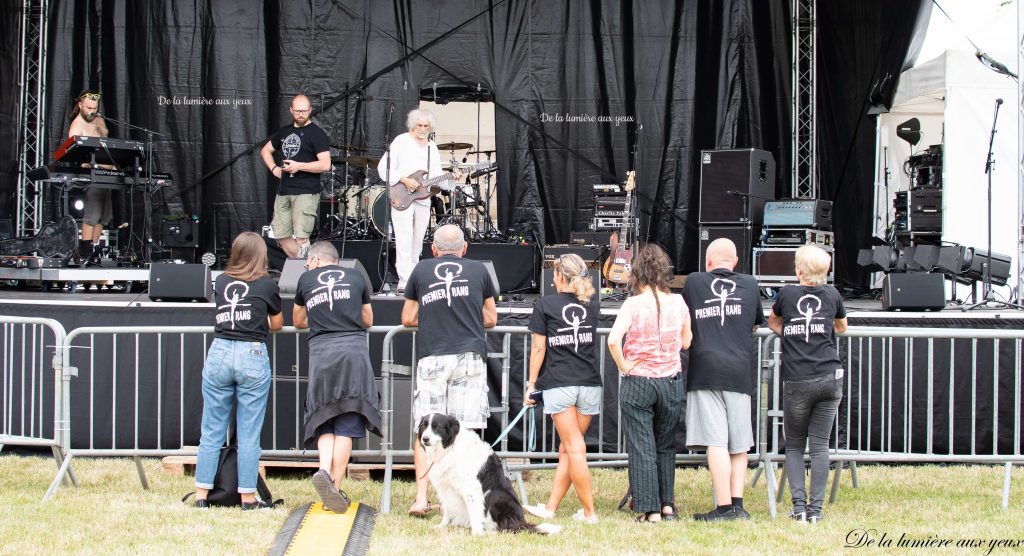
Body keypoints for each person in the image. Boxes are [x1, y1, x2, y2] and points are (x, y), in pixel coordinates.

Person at [401, 224, 497, 516]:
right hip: (468, 357)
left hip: (432, 357)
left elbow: (407, 317)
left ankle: (421, 498)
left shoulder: (421, 270)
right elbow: (491, 317)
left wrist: (432, 319)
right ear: (464, 249)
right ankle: (454, 503)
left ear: (433, 249)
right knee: (464, 429)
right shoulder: (480, 271)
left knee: (424, 429)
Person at [193, 232, 283, 509]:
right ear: (261, 256)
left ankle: (201, 496)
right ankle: (246, 497)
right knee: (248, 432)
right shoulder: (267, 285)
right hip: (251, 352)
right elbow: (277, 324)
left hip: (219, 350)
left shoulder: (221, 280)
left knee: (211, 429)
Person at [293, 241, 380, 513]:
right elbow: (368, 320)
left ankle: (322, 469)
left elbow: (298, 321)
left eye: (308, 262)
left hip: (321, 353)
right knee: (348, 420)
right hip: (353, 351)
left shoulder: (306, 279)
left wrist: (320, 318)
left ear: (317, 259)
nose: (307, 267)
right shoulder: (356, 277)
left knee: (325, 416)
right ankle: (334, 484)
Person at [607, 244, 692, 523]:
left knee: (641, 444)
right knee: (665, 444)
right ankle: (667, 504)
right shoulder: (678, 303)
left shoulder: (633, 303)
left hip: (639, 380)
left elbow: (612, 340)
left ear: (638, 273)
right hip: (670, 380)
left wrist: (624, 366)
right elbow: (686, 341)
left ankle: (649, 508)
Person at [682, 238, 765, 521]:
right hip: (739, 370)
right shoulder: (751, 284)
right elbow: (756, 322)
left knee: (716, 441)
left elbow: (685, 316)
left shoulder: (694, 282)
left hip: (705, 370)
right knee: (739, 443)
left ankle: (723, 507)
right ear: (736, 261)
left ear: (708, 262)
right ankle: (738, 506)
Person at [767, 245, 848, 524]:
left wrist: (790, 335)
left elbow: (773, 321)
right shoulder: (832, 294)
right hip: (830, 378)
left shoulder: (788, 294)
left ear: (798, 270)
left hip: (798, 380)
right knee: (820, 446)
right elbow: (842, 326)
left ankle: (799, 508)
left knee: (794, 446)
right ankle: (816, 511)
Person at [521, 254, 601, 524]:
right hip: (590, 383)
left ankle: (590, 512)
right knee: (568, 448)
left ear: (558, 277)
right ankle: (551, 507)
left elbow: (539, 349)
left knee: (574, 448)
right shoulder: (592, 305)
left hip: (561, 383)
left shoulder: (545, 304)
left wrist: (532, 384)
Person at [377, 108, 462, 291]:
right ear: (412, 125)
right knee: (403, 238)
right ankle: (404, 281)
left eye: (426, 126)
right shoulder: (401, 141)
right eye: (420, 125)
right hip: (402, 194)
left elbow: (437, 175)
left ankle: (414, 277)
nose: (423, 129)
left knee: (418, 240)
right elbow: (384, 167)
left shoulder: (432, 146)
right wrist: (404, 179)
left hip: (423, 198)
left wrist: (451, 178)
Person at [260, 94, 331, 258]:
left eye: (304, 111)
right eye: (298, 111)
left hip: (305, 191)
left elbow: (325, 164)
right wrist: (274, 168)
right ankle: (303, 267)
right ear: (291, 110)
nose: (301, 114)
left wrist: (299, 166)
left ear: (310, 110)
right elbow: (265, 150)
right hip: (284, 191)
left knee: (301, 236)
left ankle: (310, 272)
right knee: (281, 236)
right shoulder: (285, 131)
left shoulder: (317, 134)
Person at [67, 90, 111, 264]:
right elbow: (72, 151)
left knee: (104, 217)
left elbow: (105, 136)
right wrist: (84, 162)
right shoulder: (77, 125)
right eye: (88, 107)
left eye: (94, 107)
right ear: (80, 105)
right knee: (92, 215)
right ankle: (84, 252)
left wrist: (102, 127)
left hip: (107, 172)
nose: (92, 111)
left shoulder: (98, 118)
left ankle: (91, 250)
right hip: (92, 173)